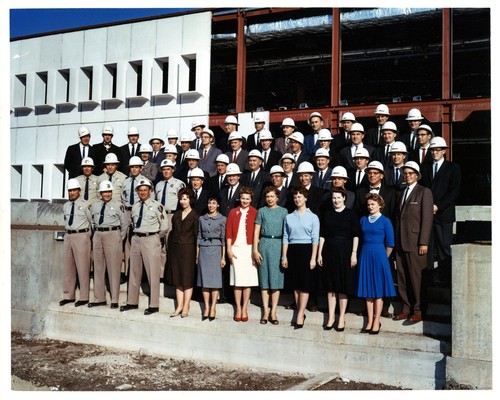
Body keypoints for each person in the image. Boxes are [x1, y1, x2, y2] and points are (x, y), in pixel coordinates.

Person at [393, 161, 433, 324]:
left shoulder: (424, 192)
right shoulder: (401, 193)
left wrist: (423, 242)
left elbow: (427, 219)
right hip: (401, 241)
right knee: (402, 276)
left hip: (416, 242)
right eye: (405, 173)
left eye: (410, 173)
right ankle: (406, 308)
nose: (407, 176)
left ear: (417, 175)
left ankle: (418, 310)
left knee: (416, 277)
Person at [120, 179, 168, 315]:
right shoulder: (135, 206)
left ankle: (154, 304)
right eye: (140, 190)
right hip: (136, 239)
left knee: (153, 272)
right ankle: (132, 302)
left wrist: (154, 238)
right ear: (137, 192)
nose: (142, 192)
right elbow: (132, 223)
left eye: (145, 190)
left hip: (151, 239)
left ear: (150, 191)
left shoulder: (157, 206)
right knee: (134, 272)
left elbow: (164, 226)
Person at [420, 137, 461, 287]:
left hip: (444, 216)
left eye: (438, 150)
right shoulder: (425, 168)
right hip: (428, 215)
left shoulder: (453, 168)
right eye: (432, 150)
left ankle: (445, 281)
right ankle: (429, 281)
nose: (435, 153)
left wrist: (438, 206)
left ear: (444, 151)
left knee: (444, 248)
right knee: (429, 250)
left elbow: (453, 192)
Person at [317, 187, 360, 331]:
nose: (336, 200)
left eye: (338, 197)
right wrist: (319, 253)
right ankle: (331, 317)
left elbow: (355, 235)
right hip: (329, 250)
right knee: (331, 287)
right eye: (334, 198)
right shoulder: (327, 214)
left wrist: (354, 253)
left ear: (344, 198)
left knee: (342, 286)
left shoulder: (351, 214)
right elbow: (322, 235)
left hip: (345, 251)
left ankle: (341, 317)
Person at [357, 193, 396, 334]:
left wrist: (383, 258)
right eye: (368, 204)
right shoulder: (363, 220)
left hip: (380, 256)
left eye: (373, 204)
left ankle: (376, 321)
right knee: (368, 290)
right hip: (365, 254)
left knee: (378, 290)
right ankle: (369, 320)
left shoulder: (386, 221)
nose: (370, 207)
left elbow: (390, 244)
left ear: (380, 205)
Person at [281, 186, 320, 329]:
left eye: (300, 196)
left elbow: (315, 239)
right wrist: (284, 256)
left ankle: (300, 313)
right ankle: (299, 311)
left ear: (305, 198)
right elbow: (285, 237)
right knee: (296, 285)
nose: (297, 199)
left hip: (306, 251)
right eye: (295, 197)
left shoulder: (313, 217)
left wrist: (313, 258)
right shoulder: (289, 217)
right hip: (292, 251)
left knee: (305, 285)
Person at [89, 181, 127, 309]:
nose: (107, 194)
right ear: (100, 193)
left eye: (109, 192)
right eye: (104, 192)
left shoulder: (118, 205)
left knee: (113, 268)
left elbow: (124, 225)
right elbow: (92, 223)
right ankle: (99, 298)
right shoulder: (94, 206)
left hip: (113, 234)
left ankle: (114, 299)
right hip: (98, 235)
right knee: (98, 268)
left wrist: (118, 238)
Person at [253, 186, 288, 325]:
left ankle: (273, 311)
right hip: (265, 244)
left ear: (277, 197)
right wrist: (255, 250)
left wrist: (284, 253)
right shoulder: (261, 211)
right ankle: (265, 311)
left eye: (272, 196)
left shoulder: (284, 212)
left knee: (276, 280)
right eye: (267, 196)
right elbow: (256, 232)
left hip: (278, 244)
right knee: (265, 280)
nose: (269, 199)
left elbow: (286, 233)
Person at [226, 186, 258, 322]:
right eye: (243, 198)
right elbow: (228, 232)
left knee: (247, 281)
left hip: (249, 248)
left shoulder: (255, 212)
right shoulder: (233, 212)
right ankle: (238, 307)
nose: (245, 201)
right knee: (237, 281)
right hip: (236, 248)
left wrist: (255, 251)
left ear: (251, 199)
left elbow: (257, 233)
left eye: (247, 199)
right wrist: (229, 249)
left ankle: (245, 307)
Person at [59, 178, 92, 307]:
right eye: (70, 191)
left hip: (81, 236)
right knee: (68, 267)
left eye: (74, 190)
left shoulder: (85, 205)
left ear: (79, 190)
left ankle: (84, 296)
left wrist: (86, 237)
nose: (72, 193)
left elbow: (92, 223)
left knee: (83, 267)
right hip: (68, 236)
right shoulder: (66, 205)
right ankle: (68, 295)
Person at [167, 187, 199, 318]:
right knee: (178, 278)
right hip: (176, 249)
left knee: (187, 278)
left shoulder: (195, 216)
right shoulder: (176, 214)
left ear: (190, 200)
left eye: (185, 199)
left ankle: (186, 305)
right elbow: (174, 231)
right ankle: (179, 306)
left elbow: (196, 236)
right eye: (181, 199)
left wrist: (197, 254)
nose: (182, 201)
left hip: (188, 250)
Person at [196, 194, 227, 321]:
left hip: (216, 250)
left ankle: (213, 307)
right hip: (203, 249)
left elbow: (224, 240)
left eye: (214, 203)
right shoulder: (201, 219)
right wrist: (197, 256)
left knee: (214, 281)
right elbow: (198, 236)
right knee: (204, 281)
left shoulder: (222, 219)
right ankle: (206, 307)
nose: (211, 205)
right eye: (209, 203)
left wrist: (223, 257)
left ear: (218, 205)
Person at [155, 158, 185, 281]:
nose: (166, 171)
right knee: (160, 246)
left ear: (173, 170)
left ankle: (171, 275)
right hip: (159, 216)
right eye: (164, 169)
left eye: (168, 169)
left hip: (172, 215)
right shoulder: (158, 185)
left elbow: (183, 202)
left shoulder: (179, 184)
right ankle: (161, 274)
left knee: (171, 246)